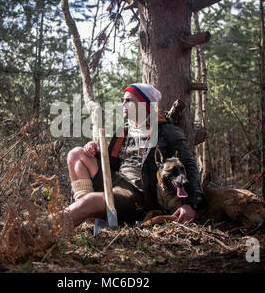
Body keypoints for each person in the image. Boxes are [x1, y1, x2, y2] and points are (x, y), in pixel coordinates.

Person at [65, 83, 206, 227]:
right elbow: (111, 163)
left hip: (139, 195)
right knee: (76, 154)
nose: (123, 104)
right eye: (123, 100)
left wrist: (192, 204)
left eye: (129, 100)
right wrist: (95, 151)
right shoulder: (123, 131)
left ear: (144, 105)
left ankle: (48, 230)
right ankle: (90, 219)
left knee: (90, 201)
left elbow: (188, 165)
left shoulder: (168, 131)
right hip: (115, 181)